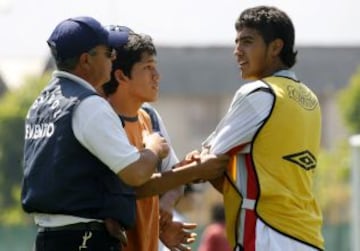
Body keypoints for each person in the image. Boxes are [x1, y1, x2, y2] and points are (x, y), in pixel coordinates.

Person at [21, 16, 170, 251]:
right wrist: (153, 148)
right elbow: (136, 173)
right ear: (85, 60)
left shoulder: (41, 102)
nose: (113, 58)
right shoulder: (88, 104)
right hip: (85, 239)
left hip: (49, 236)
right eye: (107, 53)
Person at [200, 6, 324, 251]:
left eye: (247, 42)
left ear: (275, 47)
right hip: (310, 237)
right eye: (236, 43)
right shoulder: (310, 98)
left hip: (268, 234)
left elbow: (210, 160)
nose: (237, 52)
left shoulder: (259, 93)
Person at [100, 25, 229, 251]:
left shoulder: (149, 116)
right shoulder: (100, 120)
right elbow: (128, 189)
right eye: (148, 68)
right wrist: (196, 170)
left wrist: (165, 208)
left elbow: (173, 180)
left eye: (155, 67)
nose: (157, 76)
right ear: (120, 74)